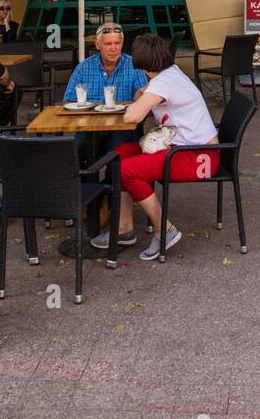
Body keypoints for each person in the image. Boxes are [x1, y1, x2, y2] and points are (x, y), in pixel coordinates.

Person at [89, 34, 220, 261]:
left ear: (140, 60)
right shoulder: (170, 74)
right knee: (118, 155)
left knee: (124, 171)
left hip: (197, 157)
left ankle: (165, 229)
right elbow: (144, 102)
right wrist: (143, 94)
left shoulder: (163, 82)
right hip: (187, 148)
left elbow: (133, 115)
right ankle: (124, 228)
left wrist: (141, 97)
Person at [63, 22, 147, 163]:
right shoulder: (84, 67)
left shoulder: (134, 66)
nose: (113, 48)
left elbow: (145, 102)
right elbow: (68, 101)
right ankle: (86, 184)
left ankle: (110, 184)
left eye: (117, 43)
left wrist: (140, 98)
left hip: (122, 126)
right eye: (108, 44)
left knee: (116, 154)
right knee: (73, 154)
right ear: (97, 45)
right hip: (88, 128)